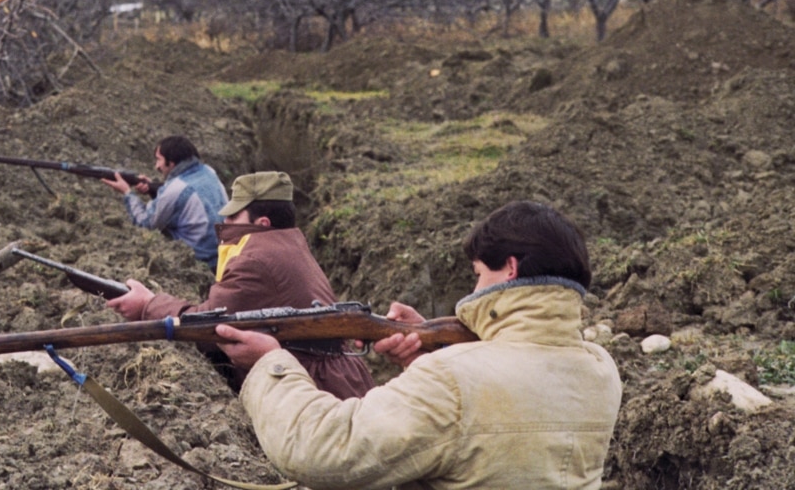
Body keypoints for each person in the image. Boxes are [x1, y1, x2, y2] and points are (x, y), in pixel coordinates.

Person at [216, 200, 623, 489]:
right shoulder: (601, 369)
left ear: (510, 269)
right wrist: (433, 354)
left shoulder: (452, 379)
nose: (475, 287)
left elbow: (323, 450)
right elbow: (500, 420)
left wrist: (271, 363)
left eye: (479, 274)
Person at [107, 171, 375, 400]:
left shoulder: (255, 259)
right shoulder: (287, 243)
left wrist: (147, 305)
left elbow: (208, 324)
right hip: (338, 381)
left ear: (262, 223)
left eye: (234, 217)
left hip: (319, 390)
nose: (225, 224)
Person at [101, 135, 228, 270]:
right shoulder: (208, 171)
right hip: (225, 254)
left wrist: (127, 192)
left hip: (201, 263)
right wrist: (153, 189)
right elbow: (182, 197)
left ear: (171, 163)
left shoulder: (175, 189)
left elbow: (145, 223)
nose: (156, 166)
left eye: (159, 160)